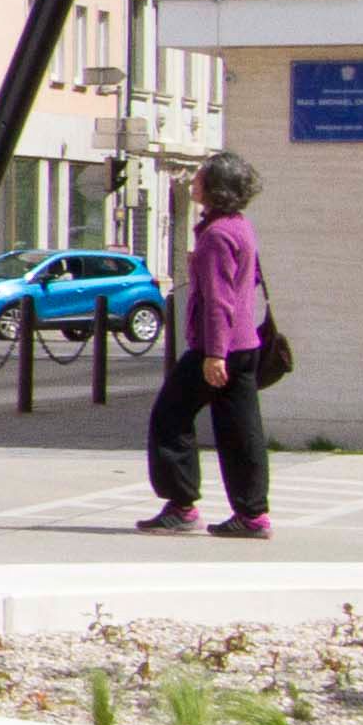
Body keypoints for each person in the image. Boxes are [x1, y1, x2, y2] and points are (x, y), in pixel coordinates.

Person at [139, 150, 275, 539]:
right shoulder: (239, 226)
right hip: (244, 343)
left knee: (170, 415)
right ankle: (252, 514)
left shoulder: (216, 235)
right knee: (241, 430)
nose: (194, 182)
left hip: (219, 348)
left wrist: (214, 354)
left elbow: (219, 299)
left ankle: (182, 505)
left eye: (199, 178)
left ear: (216, 188)